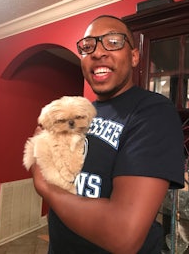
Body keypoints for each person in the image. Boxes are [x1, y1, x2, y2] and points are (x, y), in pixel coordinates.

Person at [31, 15, 184, 254]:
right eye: (88, 45)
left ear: (134, 57)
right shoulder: (80, 113)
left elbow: (124, 235)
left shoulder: (153, 112)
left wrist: (46, 188)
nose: (98, 52)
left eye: (113, 42)